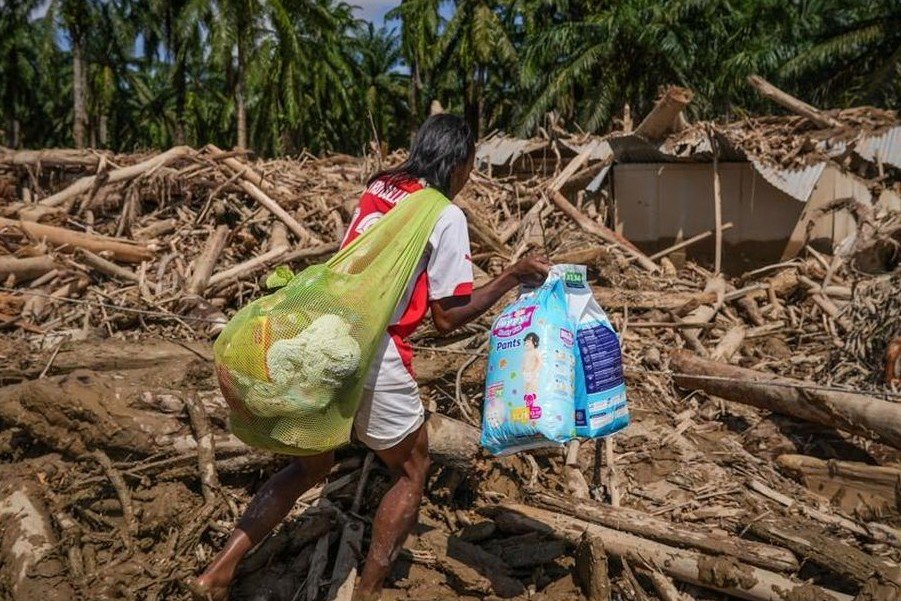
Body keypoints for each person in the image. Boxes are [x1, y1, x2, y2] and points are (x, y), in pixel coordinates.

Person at [191, 114, 549, 601]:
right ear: (460, 162)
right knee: (410, 469)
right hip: (375, 353)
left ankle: (218, 572)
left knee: (307, 467)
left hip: (325, 338)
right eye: (471, 163)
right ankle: (369, 592)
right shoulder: (444, 215)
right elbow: (448, 317)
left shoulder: (382, 187)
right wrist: (511, 277)